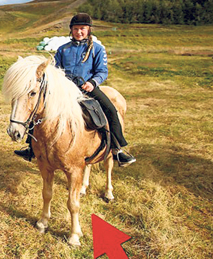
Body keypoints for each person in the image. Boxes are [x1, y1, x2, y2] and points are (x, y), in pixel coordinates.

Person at [15, 13, 136, 167]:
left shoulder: (97, 49)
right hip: (65, 91)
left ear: (89, 30)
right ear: (71, 30)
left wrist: (93, 82)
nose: (79, 32)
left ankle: (117, 149)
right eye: (76, 29)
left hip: (87, 89)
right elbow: (55, 70)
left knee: (111, 110)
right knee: (38, 110)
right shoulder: (63, 50)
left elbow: (102, 71)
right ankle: (31, 148)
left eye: (82, 29)